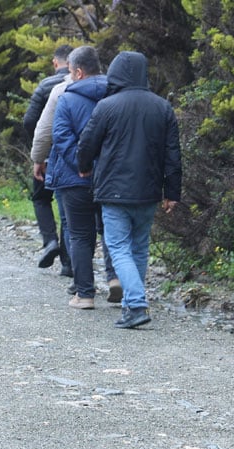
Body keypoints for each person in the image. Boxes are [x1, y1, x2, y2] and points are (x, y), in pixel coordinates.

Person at [77, 51, 182, 329]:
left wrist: (83, 165)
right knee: (139, 248)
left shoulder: (107, 106)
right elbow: (173, 155)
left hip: (114, 191)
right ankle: (129, 306)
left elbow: (87, 143)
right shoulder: (163, 107)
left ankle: (135, 304)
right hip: (148, 191)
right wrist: (172, 192)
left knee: (119, 247)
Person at [44, 46, 106, 310]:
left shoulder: (67, 98)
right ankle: (116, 281)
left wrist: (81, 165)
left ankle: (85, 293)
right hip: (108, 177)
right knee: (112, 232)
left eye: (69, 71)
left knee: (81, 236)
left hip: (74, 178)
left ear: (78, 72)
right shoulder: (115, 94)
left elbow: (61, 138)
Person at [21, 44, 72, 275]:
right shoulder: (81, 84)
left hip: (47, 156)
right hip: (72, 157)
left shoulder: (45, 86)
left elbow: (29, 121)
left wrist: (38, 152)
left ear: (55, 63)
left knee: (41, 199)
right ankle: (69, 263)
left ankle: (50, 240)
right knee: (69, 210)